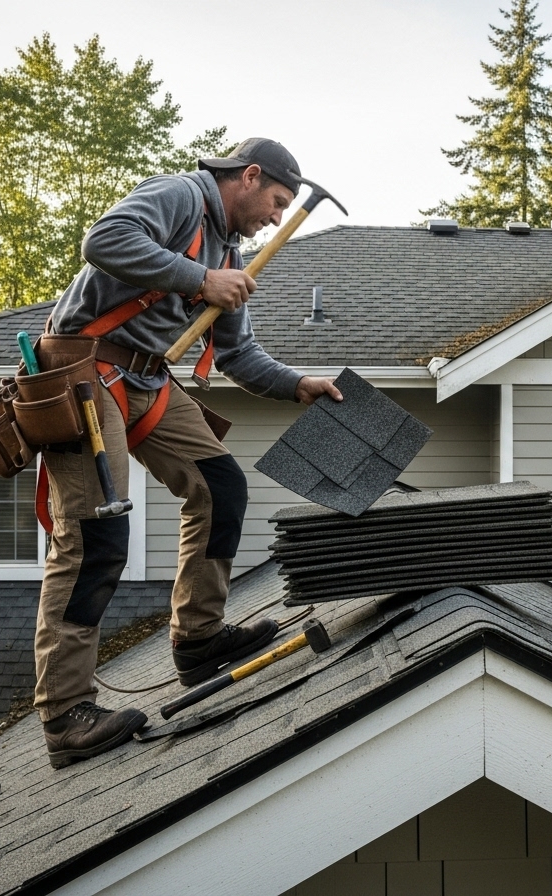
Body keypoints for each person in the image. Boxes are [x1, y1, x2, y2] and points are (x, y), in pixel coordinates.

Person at [35, 138, 341, 769]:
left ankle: (197, 640)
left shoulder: (229, 253)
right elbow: (103, 240)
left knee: (221, 486)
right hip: (82, 371)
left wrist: (297, 384)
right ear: (248, 177)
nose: (276, 219)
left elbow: (238, 356)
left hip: (146, 382)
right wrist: (201, 279)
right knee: (94, 536)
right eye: (276, 202)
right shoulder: (181, 196)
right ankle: (66, 714)